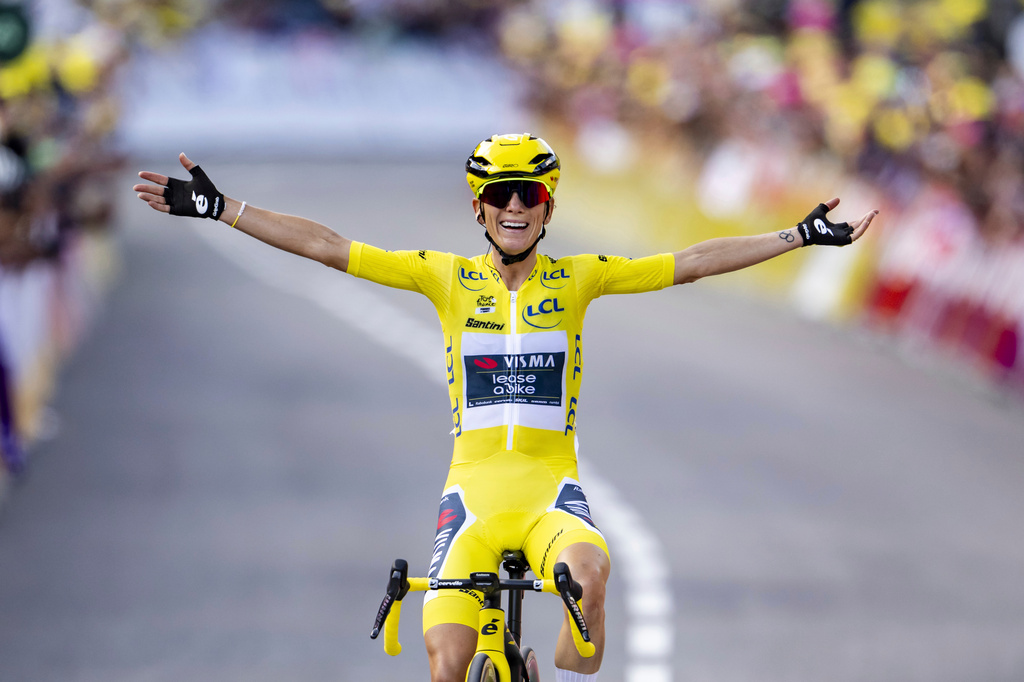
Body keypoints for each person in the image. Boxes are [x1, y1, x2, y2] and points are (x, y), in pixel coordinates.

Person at [133, 133, 878, 682]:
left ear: (548, 206)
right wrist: (223, 208)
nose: (515, 206)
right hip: (472, 499)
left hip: (550, 492)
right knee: (445, 666)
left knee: (587, 616)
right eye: (500, 194)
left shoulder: (581, 278)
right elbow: (330, 247)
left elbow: (691, 262)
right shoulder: (444, 278)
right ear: (479, 207)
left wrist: (798, 235)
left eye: (530, 194)